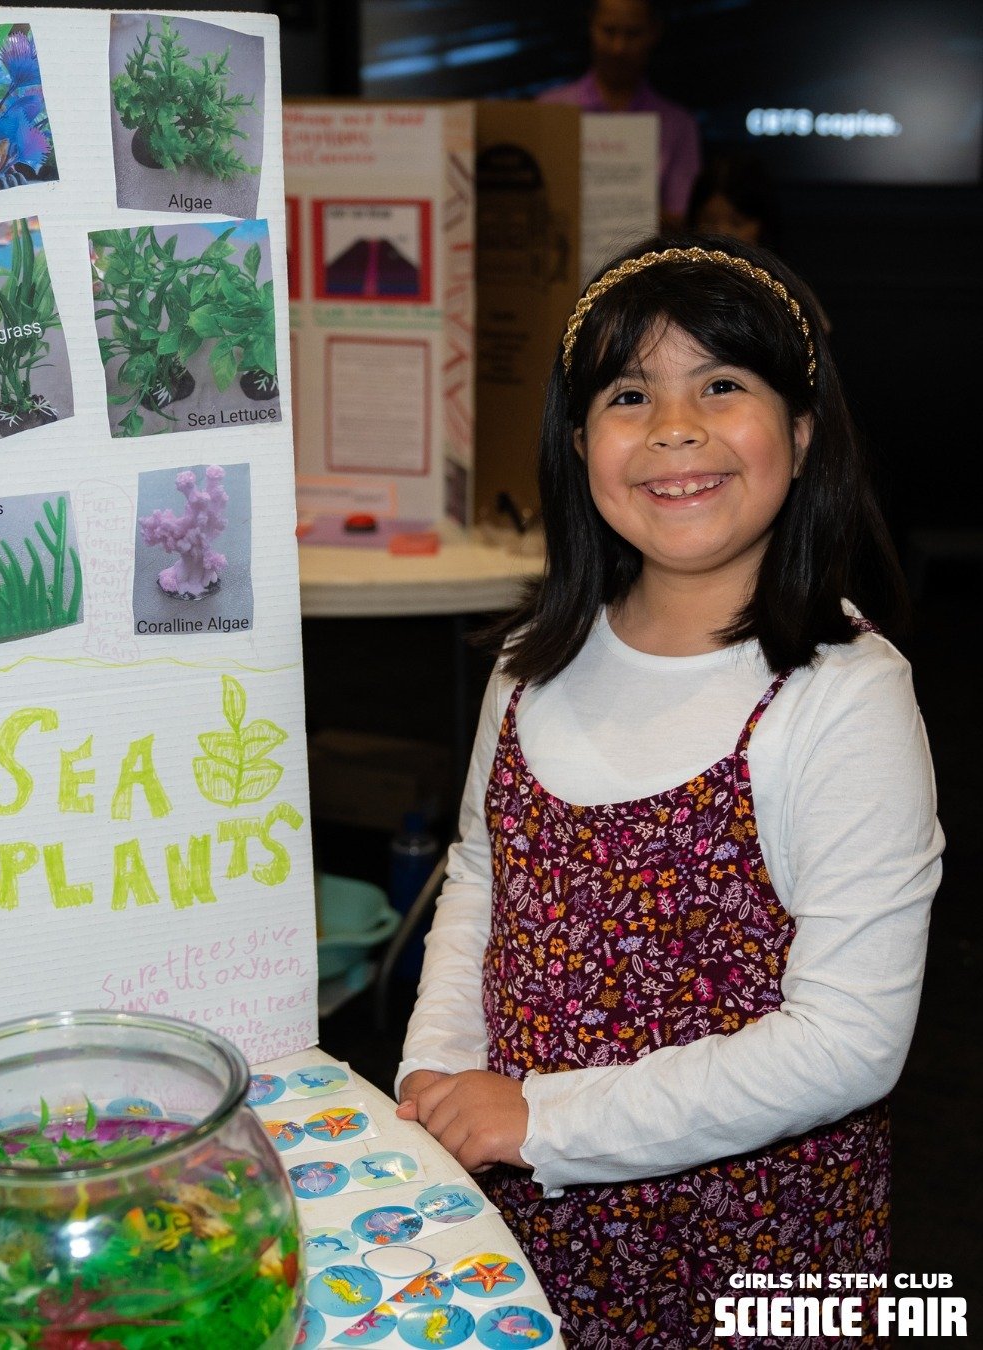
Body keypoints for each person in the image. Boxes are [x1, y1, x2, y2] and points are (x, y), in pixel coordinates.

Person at [396, 235, 942, 1346]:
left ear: (798, 431)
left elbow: (847, 1041)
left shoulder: (843, 696)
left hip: (753, 1252)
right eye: (629, 393)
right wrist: (436, 1069)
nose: (674, 427)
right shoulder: (530, 662)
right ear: (579, 441)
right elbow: (482, 878)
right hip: (525, 1221)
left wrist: (538, 1115)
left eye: (722, 385)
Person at [538, 0, 701, 229]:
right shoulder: (550, 111)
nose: (618, 48)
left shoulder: (677, 125)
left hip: (644, 261)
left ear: (654, 32)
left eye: (633, 34)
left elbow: (684, 221)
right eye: (608, 31)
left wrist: (628, 208)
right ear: (590, 26)